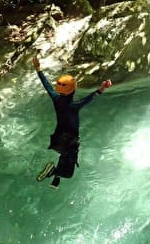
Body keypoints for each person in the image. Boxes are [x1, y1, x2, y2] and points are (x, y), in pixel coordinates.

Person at [32, 57, 113, 189]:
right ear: (73, 90)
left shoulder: (56, 99)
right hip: (68, 141)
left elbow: (47, 86)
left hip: (59, 139)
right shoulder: (74, 106)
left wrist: (38, 69)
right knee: (69, 173)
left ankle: (56, 178)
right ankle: (53, 171)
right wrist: (102, 88)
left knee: (64, 158)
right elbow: (91, 97)